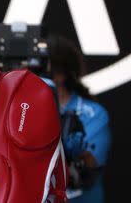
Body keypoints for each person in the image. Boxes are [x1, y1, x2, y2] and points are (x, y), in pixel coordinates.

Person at [48, 34, 111, 203]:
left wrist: (78, 153)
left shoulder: (92, 113)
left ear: (60, 75)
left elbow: (90, 172)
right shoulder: (20, 108)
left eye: (42, 66)